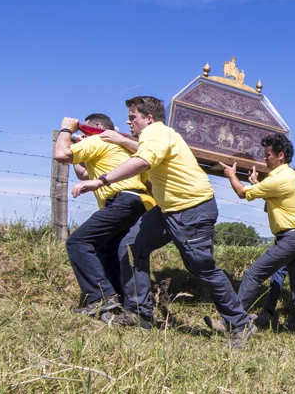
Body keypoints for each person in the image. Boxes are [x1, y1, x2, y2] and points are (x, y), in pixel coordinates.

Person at [71, 96, 253, 347]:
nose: (128, 120)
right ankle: (138, 312)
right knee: (131, 246)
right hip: (166, 210)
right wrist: (123, 139)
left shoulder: (156, 133)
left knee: (202, 268)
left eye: (132, 116)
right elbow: (147, 154)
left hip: (191, 209)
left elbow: (143, 161)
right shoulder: (156, 136)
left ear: (149, 118)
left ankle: (241, 325)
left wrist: (100, 181)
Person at [217, 134, 295, 343]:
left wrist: (231, 175)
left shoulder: (279, 179)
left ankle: (231, 322)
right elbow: (270, 199)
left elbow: (242, 193)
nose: (264, 158)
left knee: (253, 275)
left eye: (267, 155)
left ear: (280, 155)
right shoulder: (287, 178)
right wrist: (258, 184)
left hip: (290, 238)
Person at [53, 113, 155, 326]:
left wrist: (66, 130)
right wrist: (79, 146)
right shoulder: (119, 148)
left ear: (96, 126)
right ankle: (120, 301)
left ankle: (100, 299)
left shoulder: (99, 140)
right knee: (108, 250)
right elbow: (83, 174)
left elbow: (61, 154)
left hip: (123, 199)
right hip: (138, 202)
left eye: (85, 130)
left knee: (78, 242)